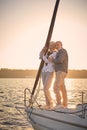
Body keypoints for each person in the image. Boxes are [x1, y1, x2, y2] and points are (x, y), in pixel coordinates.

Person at [39, 41, 58, 109]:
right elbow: (40, 56)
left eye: (52, 45)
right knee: (45, 89)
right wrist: (43, 50)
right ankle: (47, 104)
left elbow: (48, 61)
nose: (51, 46)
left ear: (54, 46)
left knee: (46, 88)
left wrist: (43, 56)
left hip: (50, 72)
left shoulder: (55, 53)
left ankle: (51, 103)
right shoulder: (47, 52)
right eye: (50, 45)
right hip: (44, 71)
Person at [51, 41, 68, 107]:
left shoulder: (62, 51)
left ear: (61, 45)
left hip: (61, 71)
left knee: (55, 87)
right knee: (62, 88)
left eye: (58, 45)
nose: (56, 46)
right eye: (56, 45)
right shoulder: (59, 52)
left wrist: (53, 60)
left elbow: (60, 60)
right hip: (61, 71)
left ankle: (59, 104)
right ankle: (65, 104)